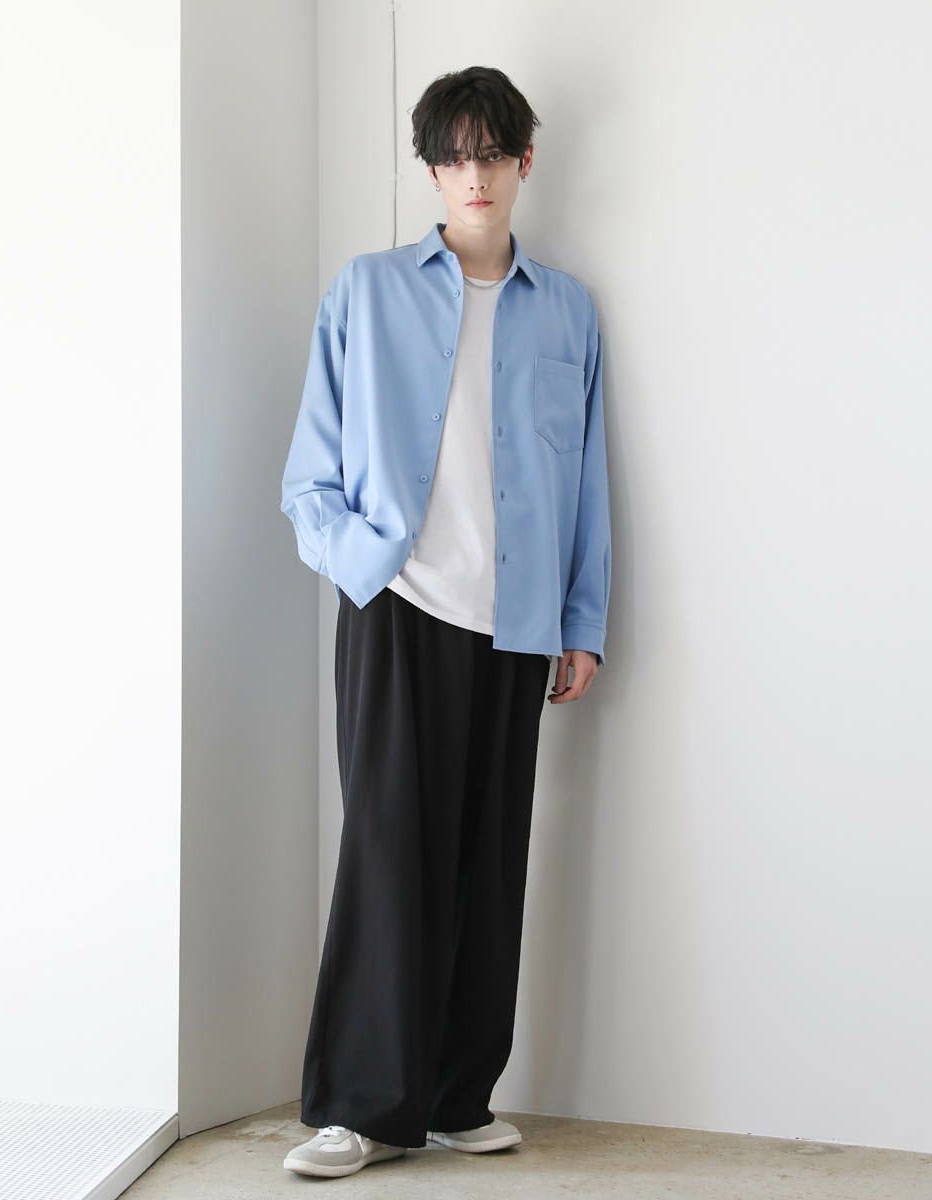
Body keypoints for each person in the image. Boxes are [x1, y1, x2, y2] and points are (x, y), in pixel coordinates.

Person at [279, 65, 612, 1179]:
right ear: (430, 170)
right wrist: (359, 568)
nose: (475, 175)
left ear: (525, 162)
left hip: (516, 623)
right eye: (454, 156)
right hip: (399, 606)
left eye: (492, 153)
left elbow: (588, 481)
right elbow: (307, 474)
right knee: (388, 854)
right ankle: (359, 1109)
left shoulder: (567, 310)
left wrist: (582, 620)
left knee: (488, 858)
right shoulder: (366, 291)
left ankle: (457, 1096)